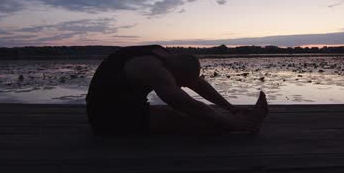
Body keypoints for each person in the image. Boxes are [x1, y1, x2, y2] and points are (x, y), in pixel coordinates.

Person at [86, 45, 268, 136]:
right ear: (173, 73)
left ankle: (239, 120)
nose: (180, 87)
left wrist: (230, 108)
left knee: (207, 113)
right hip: (107, 119)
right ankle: (246, 125)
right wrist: (233, 124)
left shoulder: (165, 57)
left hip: (132, 107)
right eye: (180, 84)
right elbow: (184, 104)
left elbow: (196, 83)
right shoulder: (152, 68)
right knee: (191, 119)